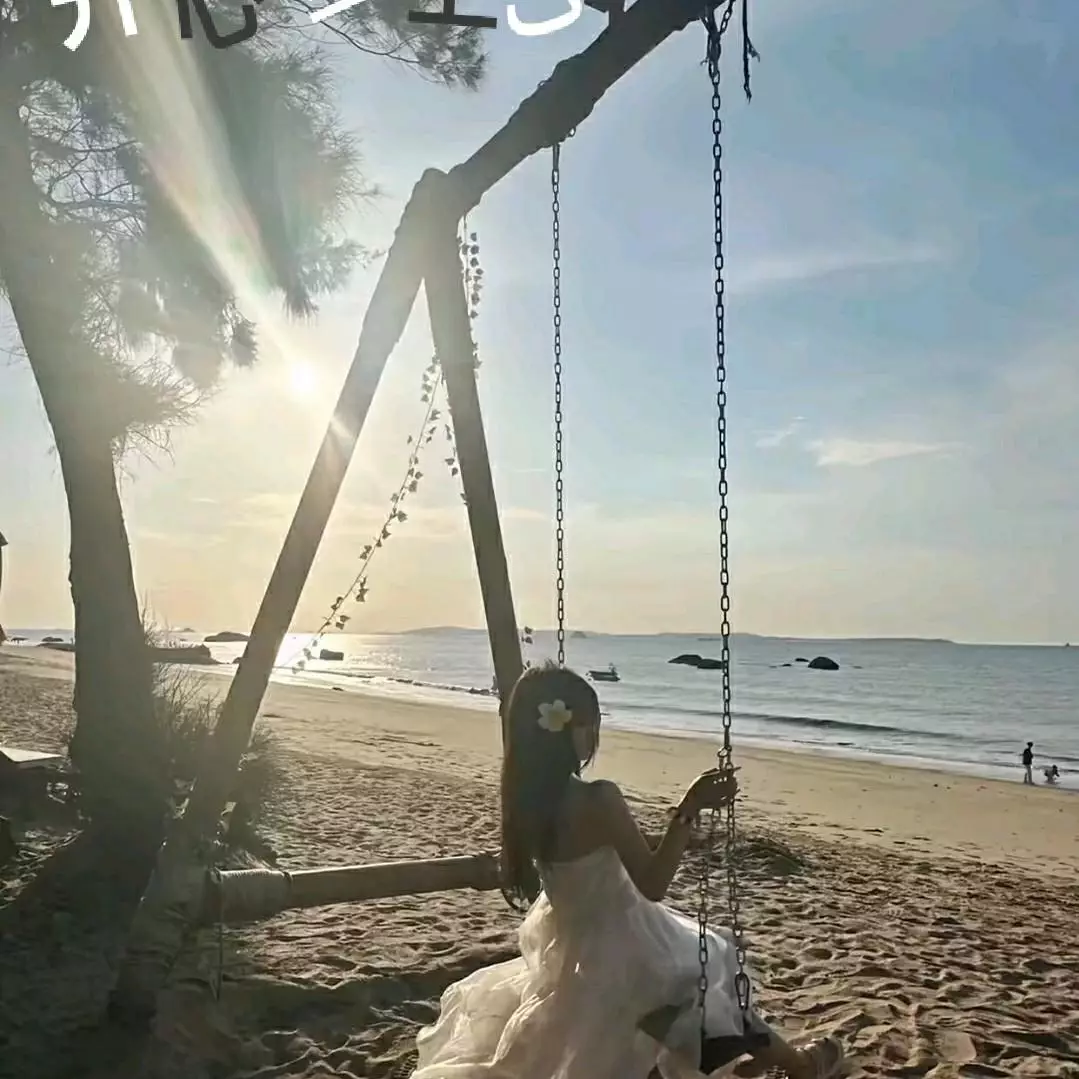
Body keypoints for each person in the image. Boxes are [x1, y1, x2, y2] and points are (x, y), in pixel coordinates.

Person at [413, 663, 846, 1079]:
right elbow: (653, 884)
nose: (595, 737)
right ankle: (800, 1066)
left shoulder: (526, 801)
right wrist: (689, 807)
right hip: (626, 938)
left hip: (572, 945)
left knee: (682, 1006)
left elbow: (596, 852)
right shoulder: (599, 798)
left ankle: (758, 1055)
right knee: (699, 984)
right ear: (572, 730)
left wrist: (669, 836)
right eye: (592, 725)